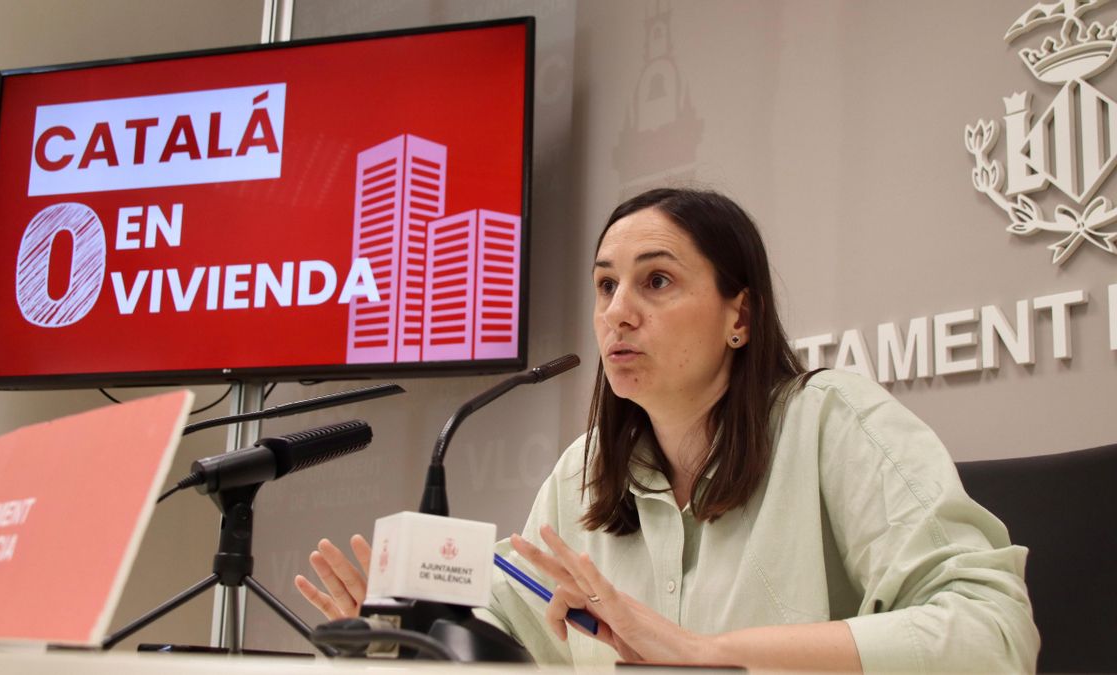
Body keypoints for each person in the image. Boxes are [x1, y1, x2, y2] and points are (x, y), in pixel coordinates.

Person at [295, 187, 1039, 671]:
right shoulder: (584, 474)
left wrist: (705, 652)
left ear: (739, 316)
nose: (617, 310)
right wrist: (405, 638)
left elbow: (992, 633)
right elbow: (511, 639)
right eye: (605, 285)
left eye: (656, 281)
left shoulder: (834, 421)